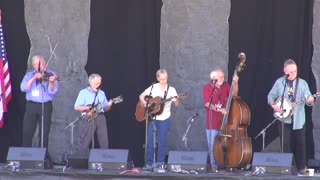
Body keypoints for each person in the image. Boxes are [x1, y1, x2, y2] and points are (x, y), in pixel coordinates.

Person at [267, 59, 314, 174]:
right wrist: (274, 106)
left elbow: (309, 99)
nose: (293, 74)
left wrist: (310, 100)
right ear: (285, 71)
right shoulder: (279, 83)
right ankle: (287, 168)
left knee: (301, 144)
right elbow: (270, 96)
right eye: (290, 72)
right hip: (284, 119)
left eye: (295, 71)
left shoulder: (302, 83)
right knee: (285, 145)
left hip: (299, 119)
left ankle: (301, 168)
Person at [139, 69, 180, 169]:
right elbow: (141, 96)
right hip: (153, 118)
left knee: (162, 141)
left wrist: (175, 101)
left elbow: (178, 104)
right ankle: (149, 163)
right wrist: (145, 103)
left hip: (165, 118)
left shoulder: (171, 89)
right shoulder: (153, 87)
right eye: (161, 79)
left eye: (165, 79)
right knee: (150, 141)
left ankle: (160, 163)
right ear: (157, 78)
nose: (163, 81)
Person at [202, 69, 238, 171]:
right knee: (212, 145)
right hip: (212, 122)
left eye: (223, 76)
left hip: (226, 122)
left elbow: (234, 95)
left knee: (227, 144)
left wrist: (235, 82)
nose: (223, 78)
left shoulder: (226, 85)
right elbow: (207, 103)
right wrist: (219, 109)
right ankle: (214, 166)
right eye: (220, 77)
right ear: (214, 79)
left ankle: (227, 164)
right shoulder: (207, 88)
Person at [20, 55, 59, 149]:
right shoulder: (29, 75)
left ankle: (42, 157)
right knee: (27, 131)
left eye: (40, 63)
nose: (38, 66)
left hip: (45, 106)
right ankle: (26, 155)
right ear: (33, 65)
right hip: (31, 106)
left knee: (44, 132)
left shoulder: (51, 74)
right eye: (36, 64)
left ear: (44, 63)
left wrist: (51, 82)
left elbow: (52, 92)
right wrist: (34, 78)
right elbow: (23, 88)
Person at [74, 73, 113, 153]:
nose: (98, 85)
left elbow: (105, 109)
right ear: (90, 83)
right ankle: (82, 160)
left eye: (99, 83)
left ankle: (104, 160)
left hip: (100, 117)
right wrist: (87, 108)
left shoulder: (101, 93)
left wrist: (108, 106)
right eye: (96, 83)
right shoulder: (83, 92)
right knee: (85, 140)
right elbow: (76, 107)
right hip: (88, 118)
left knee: (103, 140)